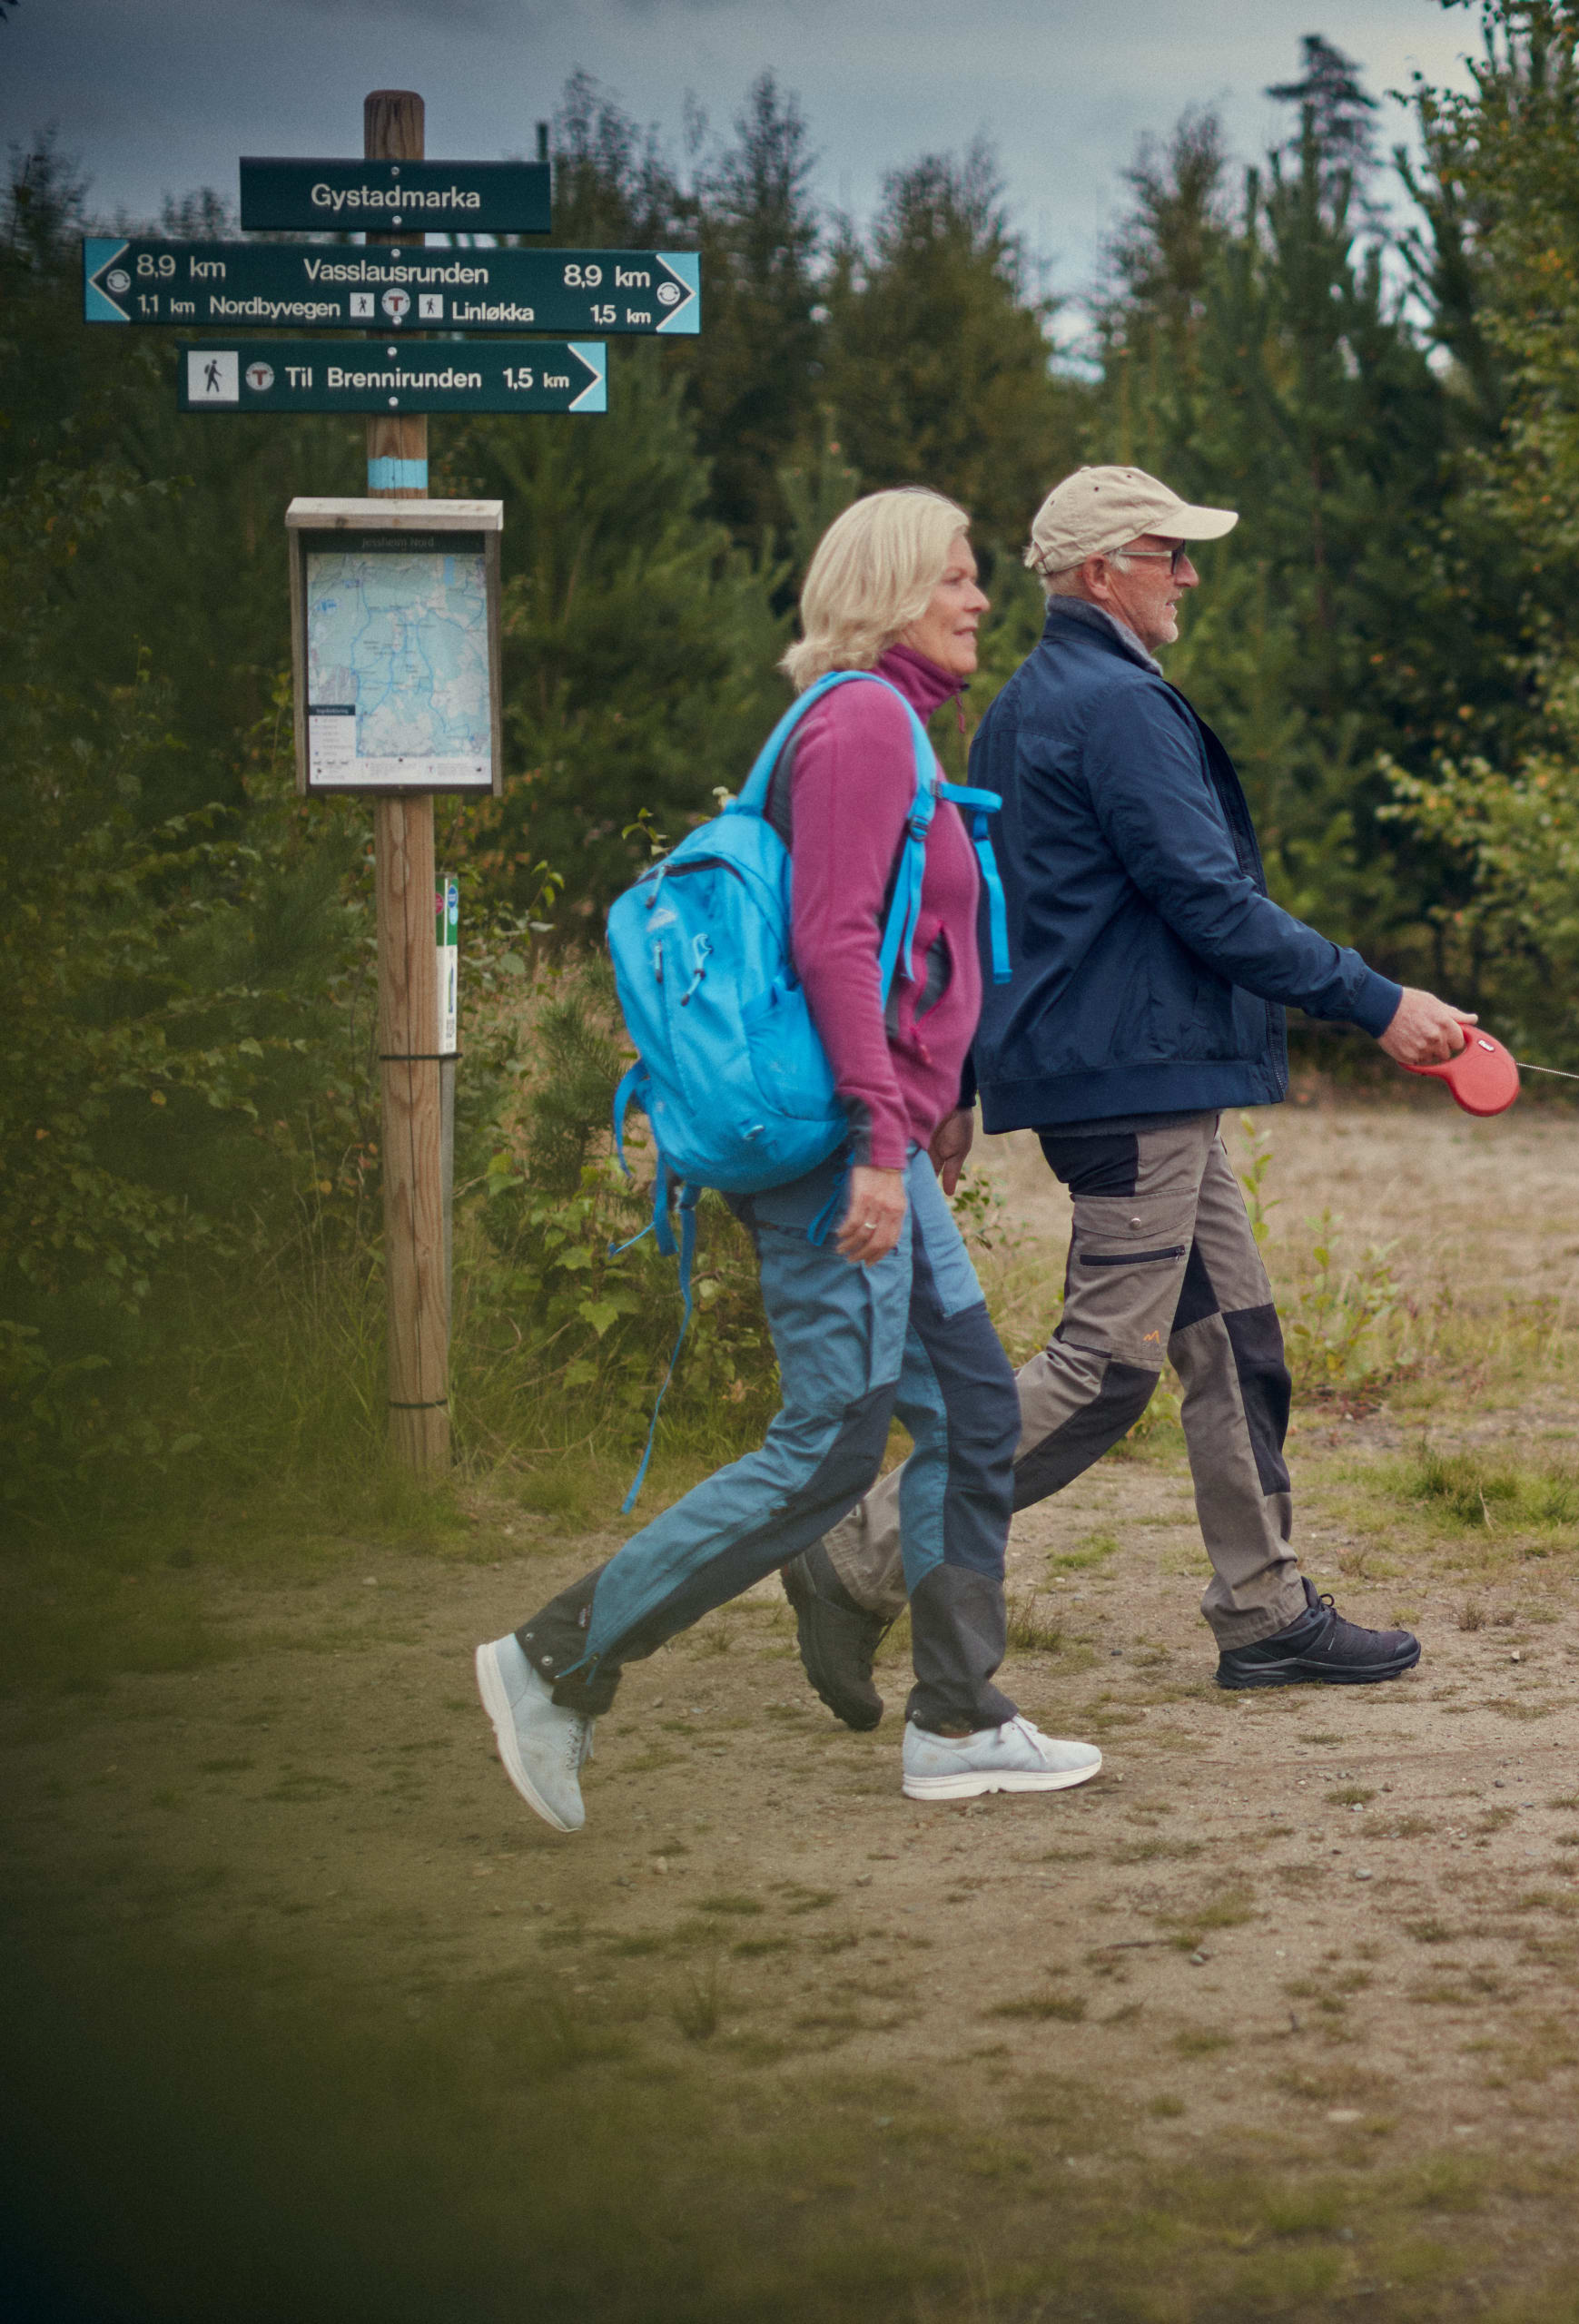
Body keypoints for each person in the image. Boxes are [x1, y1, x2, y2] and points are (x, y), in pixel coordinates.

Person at [777, 465, 1471, 1722]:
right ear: (1103, 573)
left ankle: (1262, 1613)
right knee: (1105, 1370)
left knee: (1231, 1340)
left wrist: (969, 1076)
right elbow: (1209, 904)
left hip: (1138, 1074)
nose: (1191, 575)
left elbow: (993, 919)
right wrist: (1377, 1002)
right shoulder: (1112, 706)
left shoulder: (1039, 704)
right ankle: (856, 1555)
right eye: (1171, 554)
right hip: (1134, 1083)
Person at [475, 487, 1100, 1831]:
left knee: (976, 1412)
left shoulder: (884, 729)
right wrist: (884, 1136)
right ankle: (557, 1659)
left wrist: (933, 1102)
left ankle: (956, 1718)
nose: (979, 598)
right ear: (885, 590)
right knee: (827, 1446)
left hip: (874, 1142)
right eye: (955, 577)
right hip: (837, 1153)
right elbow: (830, 942)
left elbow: (898, 952)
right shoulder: (864, 721)